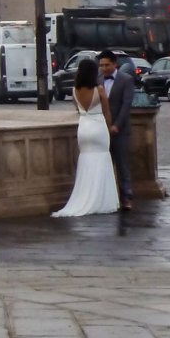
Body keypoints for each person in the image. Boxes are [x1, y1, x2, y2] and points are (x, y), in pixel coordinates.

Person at [52, 57, 120, 217]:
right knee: (102, 160)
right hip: (98, 127)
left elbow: (78, 109)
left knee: (86, 161)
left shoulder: (74, 91)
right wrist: (108, 127)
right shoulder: (100, 90)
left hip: (84, 128)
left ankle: (84, 195)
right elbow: (107, 112)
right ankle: (102, 199)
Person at [100, 49, 136, 210]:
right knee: (105, 166)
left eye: (107, 65)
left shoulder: (126, 80)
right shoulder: (98, 79)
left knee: (122, 165)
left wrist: (117, 125)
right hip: (101, 130)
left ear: (115, 64)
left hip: (120, 130)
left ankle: (126, 197)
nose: (104, 68)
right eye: (101, 65)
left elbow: (126, 104)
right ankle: (107, 198)